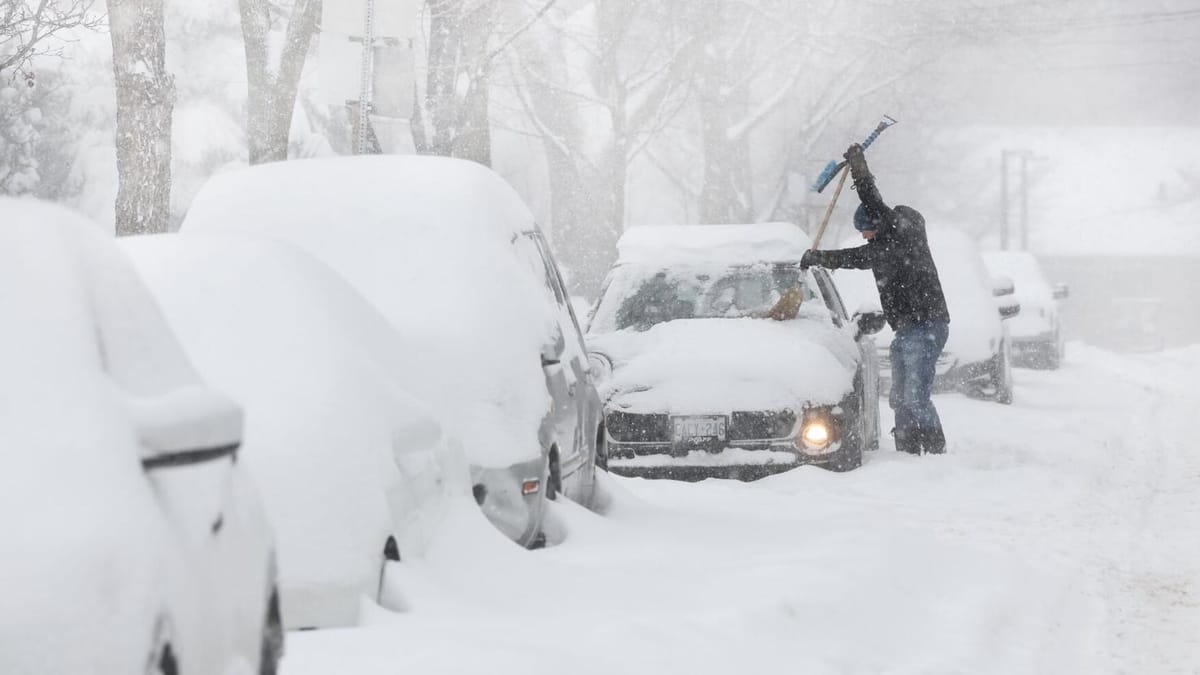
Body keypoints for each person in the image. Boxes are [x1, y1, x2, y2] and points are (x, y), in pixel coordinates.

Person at [800, 144, 951, 455]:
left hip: (926, 324)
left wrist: (859, 168)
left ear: (879, 224)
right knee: (899, 397)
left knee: (915, 396)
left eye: (866, 230)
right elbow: (856, 256)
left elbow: (870, 201)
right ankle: (907, 451)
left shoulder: (902, 234)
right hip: (906, 329)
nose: (864, 236)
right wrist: (818, 257)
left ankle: (935, 452)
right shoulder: (883, 246)